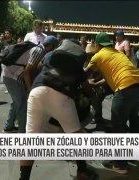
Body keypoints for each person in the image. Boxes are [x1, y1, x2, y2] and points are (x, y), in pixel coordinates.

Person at [20, 39, 98, 180]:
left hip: (36, 92)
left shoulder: (51, 54)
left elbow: (39, 65)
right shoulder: (76, 63)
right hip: (60, 96)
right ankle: (82, 171)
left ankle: (23, 178)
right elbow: (84, 83)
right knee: (76, 137)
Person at [85, 32, 139, 173]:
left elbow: (85, 74)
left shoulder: (98, 56)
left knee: (118, 124)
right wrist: (97, 84)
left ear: (97, 45)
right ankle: (136, 153)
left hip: (125, 89)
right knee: (134, 117)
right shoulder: (118, 54)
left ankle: (119, 164)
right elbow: (112, 74)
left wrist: (88, 82)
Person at [2, 36, 59, 133]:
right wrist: (29, 90)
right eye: (54, 49)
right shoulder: (39, 51)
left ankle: (9, 126)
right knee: (22, 105)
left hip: (10, 75)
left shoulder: (38, 48)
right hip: (13, 77)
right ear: (50, 46)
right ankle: (23, 132)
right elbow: (27, 72)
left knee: (16, 102)